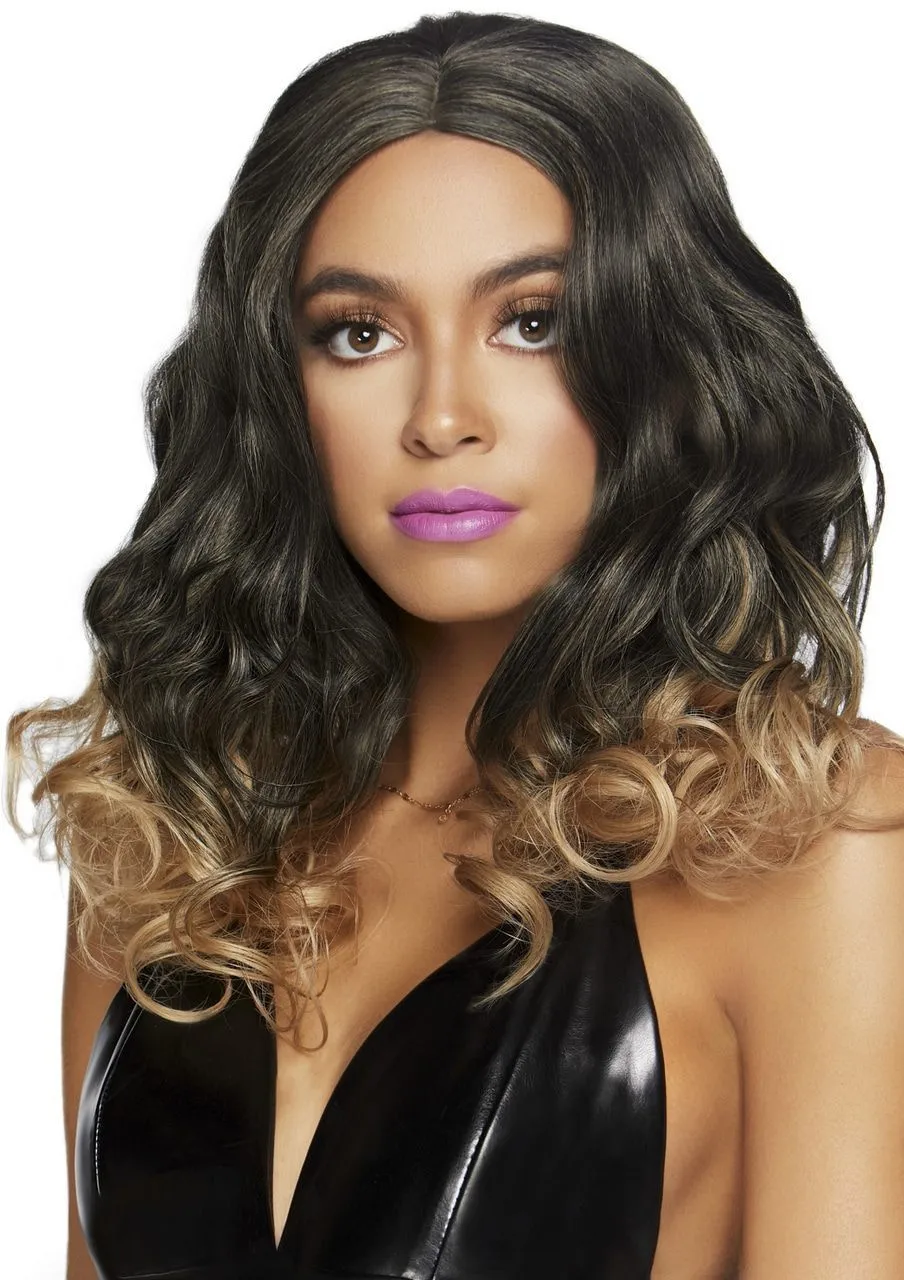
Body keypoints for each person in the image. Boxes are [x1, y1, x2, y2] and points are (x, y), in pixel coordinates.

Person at [5, 11, 904, 1279]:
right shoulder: (166, 824)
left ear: (662, 358)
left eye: (533, 321)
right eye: (358, 332)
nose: (440, 418)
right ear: (278, 388)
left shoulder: (807, 835)